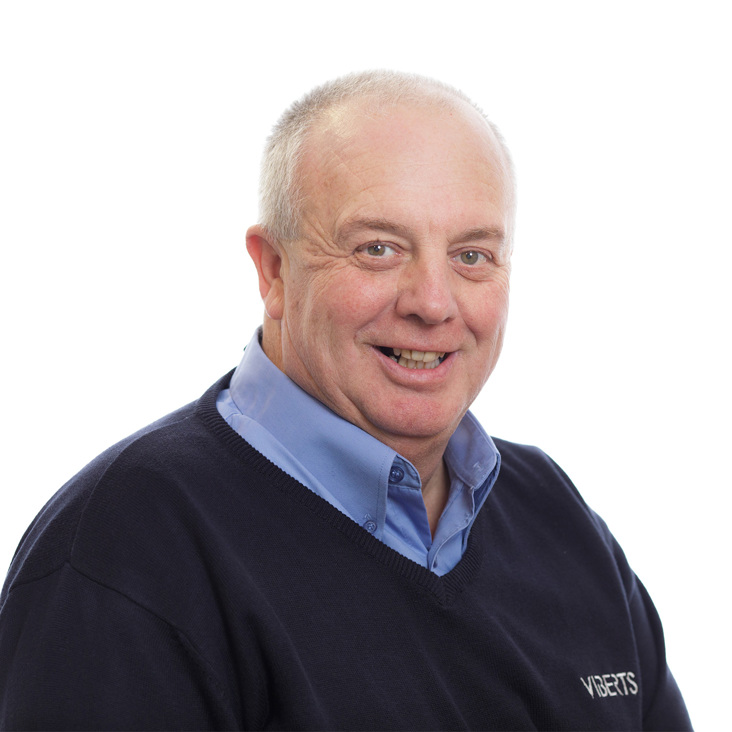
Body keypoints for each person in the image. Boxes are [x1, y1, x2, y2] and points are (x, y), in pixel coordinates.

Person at [0, 71, 691, 730]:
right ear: (273, 270)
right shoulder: (128, 545)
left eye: (472, 255)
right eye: (379, 249)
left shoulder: (557, 517)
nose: (432, 303)